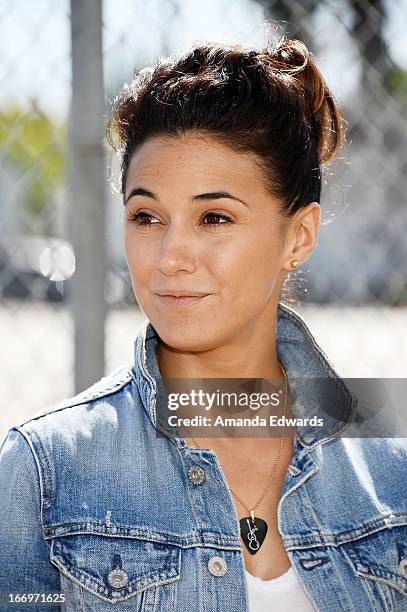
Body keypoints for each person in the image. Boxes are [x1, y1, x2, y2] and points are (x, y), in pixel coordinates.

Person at [1, 34, 407, 612]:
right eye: (146, 216)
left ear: (300, 235)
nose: (169, 255)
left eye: (213, 217)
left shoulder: (391, 464)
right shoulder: (44, 475)